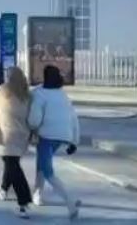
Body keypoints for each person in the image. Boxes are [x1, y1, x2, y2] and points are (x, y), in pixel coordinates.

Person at [28, 65, 81, 220]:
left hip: (46, 137)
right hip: (64, 136)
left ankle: (70, 202)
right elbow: (73, 117)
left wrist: (30, 127)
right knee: (42, 164)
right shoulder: (62, 94)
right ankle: (37, 194)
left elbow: (34, 120)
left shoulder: (39, 94)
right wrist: (74, 141)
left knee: (48, 172)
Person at [0, 67, 33, 218]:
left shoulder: (1, 91)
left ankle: (24, 202)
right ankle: (3, 188)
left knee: (12, 166)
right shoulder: (27, 94)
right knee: (11, 162)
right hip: (22, 134)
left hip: (5, 134)